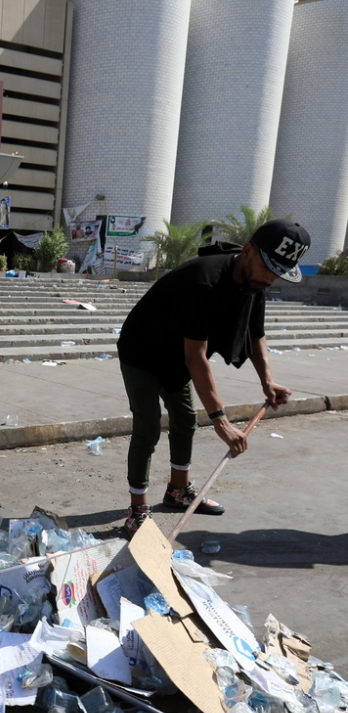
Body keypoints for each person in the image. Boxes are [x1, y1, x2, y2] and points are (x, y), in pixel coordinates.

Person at [116, 219, 310, 537]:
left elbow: (256, 333)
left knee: (185, 420)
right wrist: (221, 421)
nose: (270, 278)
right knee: (148, 426)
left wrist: (267, 382)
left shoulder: (254, 284)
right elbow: (196, 356)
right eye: (268, 268)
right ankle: (137, 510)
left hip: (176, 354)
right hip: (143, 352)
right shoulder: (204, 280)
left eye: (278, 273)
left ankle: (178, 491)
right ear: (247, 251)